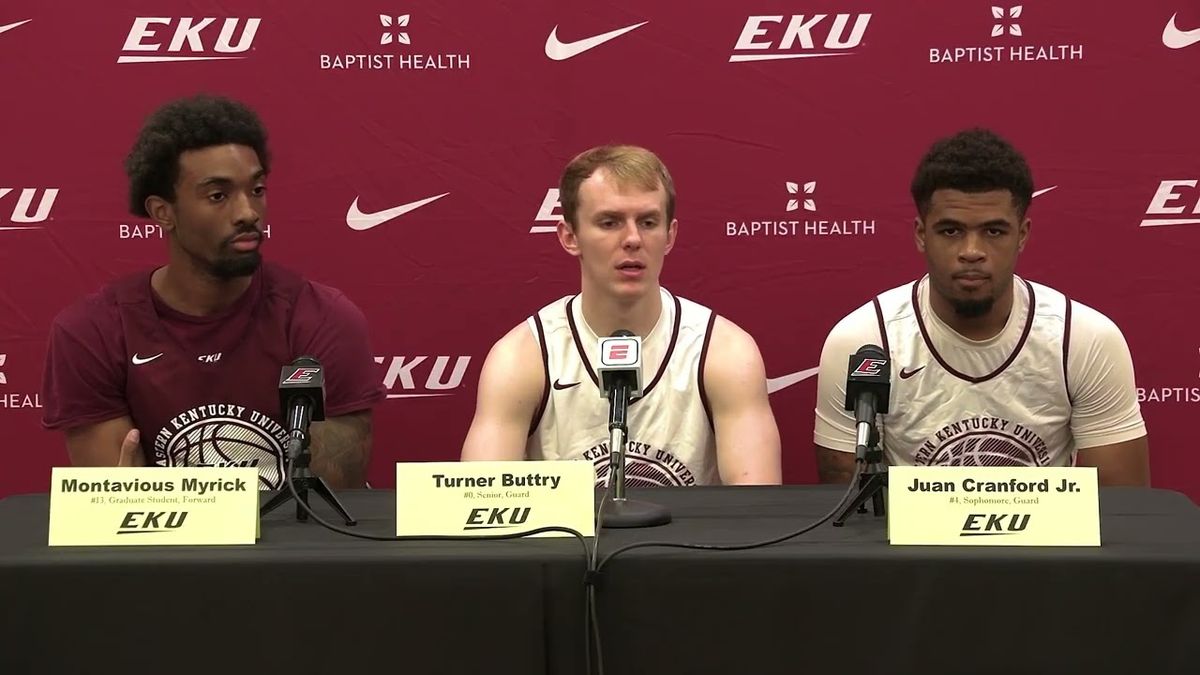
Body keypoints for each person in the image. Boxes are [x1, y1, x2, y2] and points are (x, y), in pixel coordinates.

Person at [41, 95, 384, 489]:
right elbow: (121, 505)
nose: (248, 212)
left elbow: (331, 494)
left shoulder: (323, 318)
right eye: (218, 195)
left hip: (292, 549)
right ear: (162, 212)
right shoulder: (92, 332)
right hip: (165, 549)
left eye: (256, 189)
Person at [813, 128, 1148, 486]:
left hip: (1049, 543)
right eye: (951, 231)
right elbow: (850, 513)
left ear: (1022, 235)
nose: (972, 251)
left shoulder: (1084, 338)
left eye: (993, 231)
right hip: (908, 542)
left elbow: (1121, 509)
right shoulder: (865, 343)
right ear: (921, 234)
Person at [461, 145, 781, 486]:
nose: (632, 239)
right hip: (567, 541)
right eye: (609, 222)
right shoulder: (522, 357)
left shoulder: (726, 352)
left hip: (690, 540)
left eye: (648, 222)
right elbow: (479, 505)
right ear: (570, 236)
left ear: (669, 235)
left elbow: (754, 510)